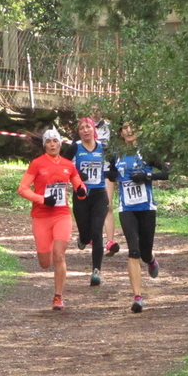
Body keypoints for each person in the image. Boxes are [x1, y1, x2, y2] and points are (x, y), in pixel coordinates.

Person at [17, 128, 87, 310]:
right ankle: (46, 257)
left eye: (55, 141)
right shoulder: (37, 164)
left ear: (60, 144)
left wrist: (81, 191)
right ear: (45, 145)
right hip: (41, 216)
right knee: (45, 262)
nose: (52, 144)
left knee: (59, 254)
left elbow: (79, 185)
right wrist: (42, 199)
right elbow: (23, 188)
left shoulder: (68, 165)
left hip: (61, 214)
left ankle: (58, 296)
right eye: (48, 142)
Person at [107, 122, 171, 313]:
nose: (129, 130)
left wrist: (147, 175)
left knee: (144, 251)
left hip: (146, 207)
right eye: (125, 127)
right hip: (126, 208)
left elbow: (166, 173)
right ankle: (137, 297)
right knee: (133, 251)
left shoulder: (147, 152)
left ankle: (150, 260)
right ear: (120, 132)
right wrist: (110, 174)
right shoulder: (115, 154)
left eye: (132, 127)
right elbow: (109, 174)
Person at [62, 117, 109, 286]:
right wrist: (77, 176)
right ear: (78, 132)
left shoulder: (103, 148)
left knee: (97, 232)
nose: (85, 130)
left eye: (88, 127)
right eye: (81, 128)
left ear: (93, 129)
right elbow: (63, 165)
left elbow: (112, 167)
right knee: (86, 233)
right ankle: (83, 238)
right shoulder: (75, 147)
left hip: (99, 195)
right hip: (81, 195)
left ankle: (96, 271)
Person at [90, 105, 120, 257]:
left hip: (106, 170)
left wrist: (114, 171)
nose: (95, 112)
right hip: (89, 172)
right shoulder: (84, 127)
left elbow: (115, 150)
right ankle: (91, 237)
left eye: (98, 108)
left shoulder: (109, 128)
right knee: (91, 207)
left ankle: (110, 242)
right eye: (92, 109)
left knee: (108, 205)